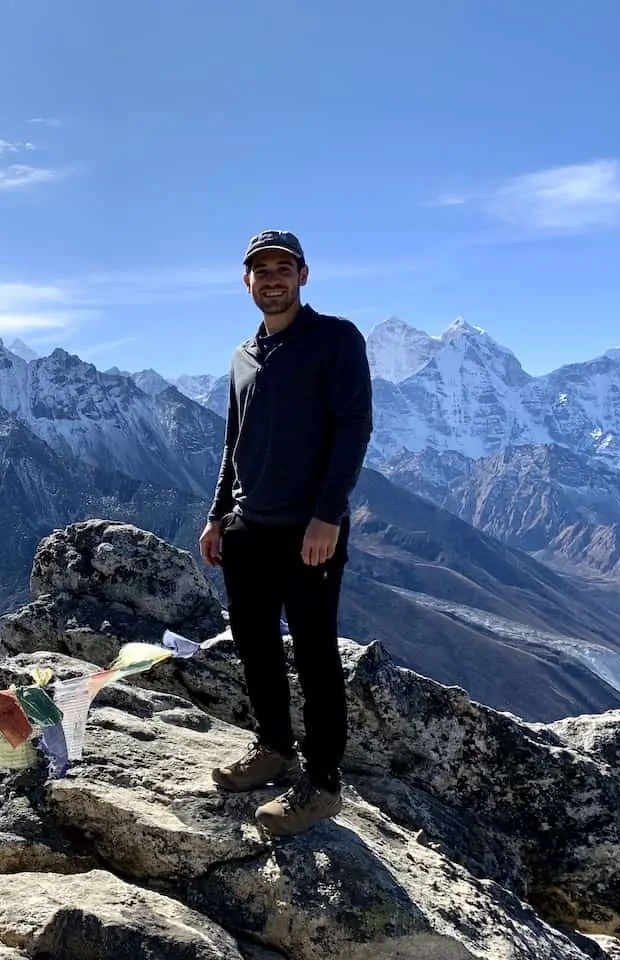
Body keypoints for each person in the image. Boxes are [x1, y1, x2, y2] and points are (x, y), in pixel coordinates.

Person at [198, 228, 372, 837]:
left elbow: (353, 428)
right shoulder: (243, 356)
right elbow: (234, 443)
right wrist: (218, 515)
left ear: (303, 275)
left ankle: (322, 784)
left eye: (282, 268)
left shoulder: (335, 340)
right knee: (254, 643)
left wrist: (328, 515)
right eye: (261, 270)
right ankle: (274, 748)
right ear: (246, 282)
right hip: (249, 528)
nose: (272, 279)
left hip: (310, 530)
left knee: (317, 653)